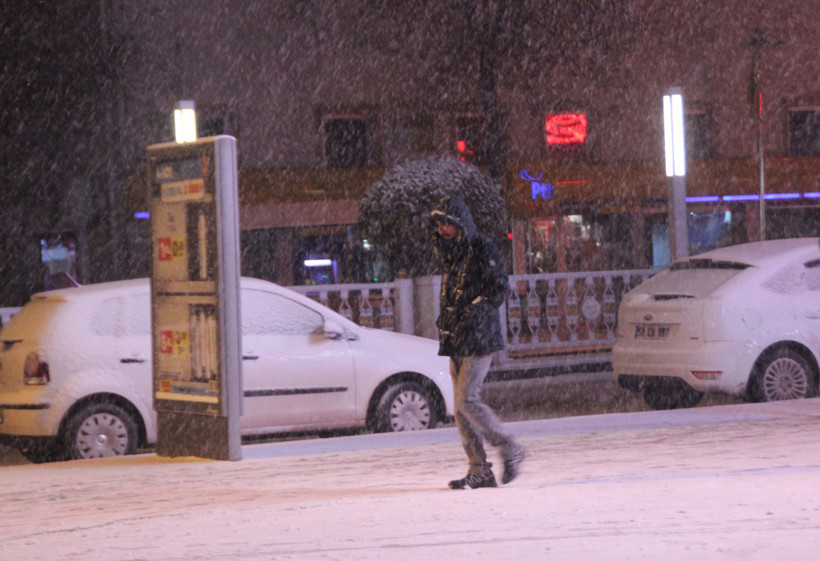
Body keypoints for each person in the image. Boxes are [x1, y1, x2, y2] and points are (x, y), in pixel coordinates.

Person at [431, 195, 526, 489]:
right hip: (456, 338)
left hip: (478, 337)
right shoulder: (450, 252)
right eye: (437, 224)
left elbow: (499, 287)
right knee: (460, 408)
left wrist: (473, 311)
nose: (440, 229)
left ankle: (509, 446)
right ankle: (479, 469)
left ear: (458, 222)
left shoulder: (481, 248)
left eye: (445, 223)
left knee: (467, 399)